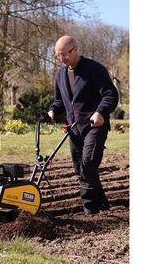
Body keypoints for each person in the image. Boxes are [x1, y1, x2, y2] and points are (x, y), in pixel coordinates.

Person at [47, 35, 119, 215]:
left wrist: (100, 112)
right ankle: (102, 203)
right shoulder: (60, 75)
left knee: (88, 164)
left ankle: (90, 209)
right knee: (80, 168)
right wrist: (52, 111)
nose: (61, 59)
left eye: (64, 54)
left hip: (94, 126)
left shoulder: (94, 69)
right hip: (74, 128)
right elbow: (60, 100)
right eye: (58, 55)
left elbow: (110, 95)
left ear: (75, 50)